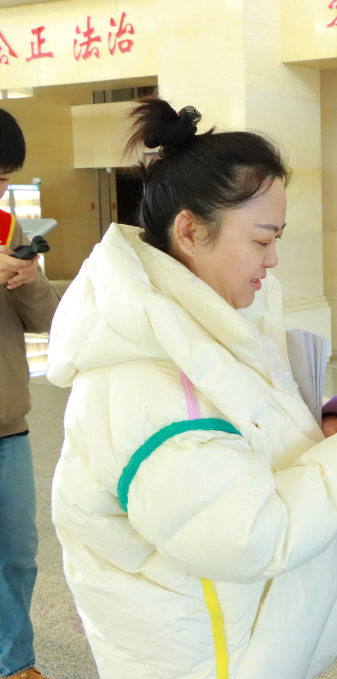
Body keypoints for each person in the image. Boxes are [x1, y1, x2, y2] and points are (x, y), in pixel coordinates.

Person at [47, 98, 337, 679]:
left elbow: (240, 445)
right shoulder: (149, 380)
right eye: (261, 239)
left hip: (243, 641)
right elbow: (247, 536)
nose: (273, 259)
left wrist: (325, 432)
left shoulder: (204, 330)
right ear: (190, 231)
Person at [0, 108, 60, 679]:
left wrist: (30, 280)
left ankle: (16, 661)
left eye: (2, 180)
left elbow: (46, 320)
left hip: (8, 427)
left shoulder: (7, 229)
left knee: (18, 555)